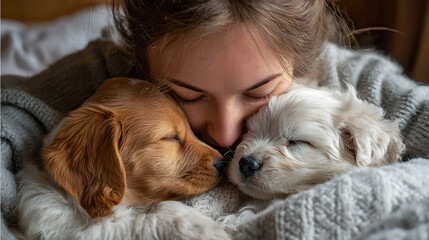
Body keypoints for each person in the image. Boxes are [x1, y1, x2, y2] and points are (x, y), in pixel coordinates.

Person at [2, 0, 428, 239]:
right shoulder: (113, 66)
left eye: (259, 94)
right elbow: (8, 122)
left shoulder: (344, 75)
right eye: (186, 95)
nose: (226, 134)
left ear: (302, 63)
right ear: (143, 63)